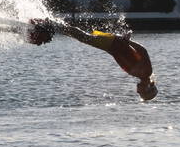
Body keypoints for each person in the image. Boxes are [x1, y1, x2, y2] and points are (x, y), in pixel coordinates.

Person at [28, 18, 158, 101]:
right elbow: (143, 51)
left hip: (112, 46)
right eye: (140, 93)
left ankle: (53, 26)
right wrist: (128, 41)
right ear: (147, 88)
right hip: (114, 44)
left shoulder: (140, 75)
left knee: (82, 37)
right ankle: (51, 24)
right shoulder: (146, 72)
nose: (137, 91)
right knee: (83, 37)